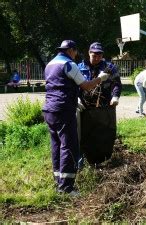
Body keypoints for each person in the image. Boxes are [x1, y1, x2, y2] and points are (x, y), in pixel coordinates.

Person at [42, 40, 110, 196]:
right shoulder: (68, 64)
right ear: (71, 50)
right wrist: (101, 78)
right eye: (75, 52)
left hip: (49, 110)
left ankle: (58, 183)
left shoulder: (50, 64)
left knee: (56, 145)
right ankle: (67, 188)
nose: (75, 55)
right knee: (69, 146)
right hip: (64, 110)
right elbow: (85, 85)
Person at [77, 42, 122, 167]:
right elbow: (74, 86)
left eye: (99, 55)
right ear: (89, 53)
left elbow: (116, 84)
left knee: (103, 134)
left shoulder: (110, 68)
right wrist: (76, 98)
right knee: (84, 135)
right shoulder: (79, 68)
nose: (96, 57)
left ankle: (103, 161)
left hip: (104, 108)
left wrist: (115, 96)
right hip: (85, 109)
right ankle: (84, 163)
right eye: (94, 54)